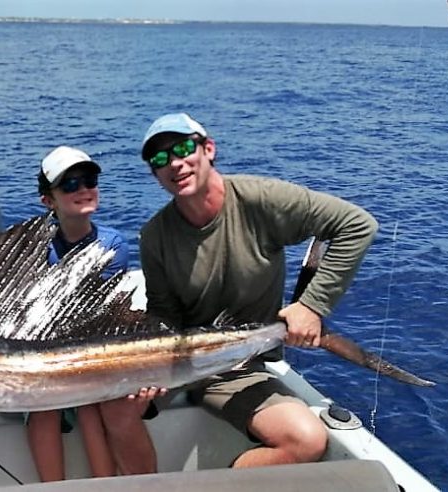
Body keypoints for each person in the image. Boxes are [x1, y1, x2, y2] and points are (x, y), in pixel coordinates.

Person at [137, 113, 378, 467]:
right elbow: (163, 312)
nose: (174, 163)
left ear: (208, 149)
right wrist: (150, 369)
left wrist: (312, 306)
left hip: (240, 367)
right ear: (155, 175)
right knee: (113, 410)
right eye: (159, 159)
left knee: (307, 440)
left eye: (183, 148)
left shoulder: (260, 199)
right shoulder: (154, 236)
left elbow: (357, 225)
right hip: (178, 362)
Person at [26, 145, 162, 481]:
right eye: (69, 185)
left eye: (88, 180)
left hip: (91, 348)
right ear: (48, 201)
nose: (83, 189)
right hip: (41, 349)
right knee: (44, 409)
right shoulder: (33, 246)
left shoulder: (112, 244)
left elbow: (98, 312)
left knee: (89, 405)